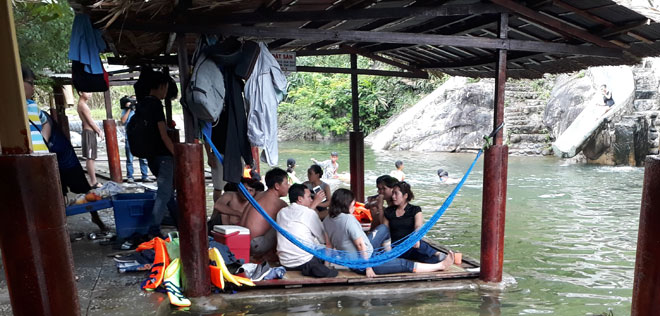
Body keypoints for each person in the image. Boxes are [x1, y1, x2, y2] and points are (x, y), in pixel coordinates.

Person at [22, 66, 109, 232]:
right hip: (46, 160)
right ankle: (60, 228)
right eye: (30, 83)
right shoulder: (17, 109)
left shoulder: (33, 108)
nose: (33, 88)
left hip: (64, 157)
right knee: (55, 194)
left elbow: (45, 121)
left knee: (85, 191)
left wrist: (44, 140)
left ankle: (98, 222)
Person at [324, 189, 453, 278]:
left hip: (359, 257)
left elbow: (329, 245)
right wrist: (368, 268)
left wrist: (327, 267)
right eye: (353, 203)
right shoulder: (348, 219)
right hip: (365, 262)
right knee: (404, 264)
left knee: (383, 229)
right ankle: (440, 266)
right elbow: (360, 246)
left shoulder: (327, 220)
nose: (354, 206)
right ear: (346, 204)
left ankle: (388, 255)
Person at [135, 69, 177, 237]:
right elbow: (163, 135)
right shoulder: (155, 104)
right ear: (160, 86)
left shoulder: (142, 103)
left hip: (151, 156)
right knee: (164, 193)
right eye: (165, 88)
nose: (165, 92)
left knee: (168, 191)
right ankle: (153, 230)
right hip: (163, 155)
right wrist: (177, 154)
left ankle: (179, 220)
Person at [277, 184, 337, 278]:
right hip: (305, 261)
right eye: (309, 197)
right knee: (331, 249)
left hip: (285, 262)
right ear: (300, 199)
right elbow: (323, 239)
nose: (311, 200)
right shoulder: (309, 213)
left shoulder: (281, 212)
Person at [383, 181, 447, 263]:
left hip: (412, 245)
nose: (393, 196)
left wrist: (416, 239)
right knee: (422, 248)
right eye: (392, 193)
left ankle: (438, 258)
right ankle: (437, 254)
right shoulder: (389, 212)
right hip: (396, 248)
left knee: (425, 253)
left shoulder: (415, 210)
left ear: (405, 196)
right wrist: (387, 251)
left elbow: (418, 226)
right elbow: (385, 232)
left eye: (396, 194)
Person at [240, 168, 290, 259]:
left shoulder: (259, 194)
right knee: (286, 223)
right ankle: (275, 256)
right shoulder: (279, 203)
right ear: (277, 186)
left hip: (242, 241)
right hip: (255, 245)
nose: (288, 186)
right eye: (286, 183)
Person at [120, 95, 149, 183]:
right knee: (130, 158)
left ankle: (145, 176)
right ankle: (130, 176)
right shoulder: (125, 111)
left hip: (140, 136)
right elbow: (123, 121)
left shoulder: (140, 110)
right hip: (129, 137)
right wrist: (129, 109)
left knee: (143, 158)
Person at [77, 91, 103, 188]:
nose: (90, 94)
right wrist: (99, 131)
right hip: (88, 132)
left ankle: (93, 181)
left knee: (91, 157)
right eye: (87, 92)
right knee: (90, 158)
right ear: (80, 92)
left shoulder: (82, 104)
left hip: (88, 132)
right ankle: (93, 182)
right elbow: (90, 122)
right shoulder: (82, 105)